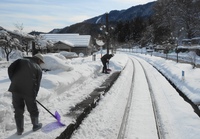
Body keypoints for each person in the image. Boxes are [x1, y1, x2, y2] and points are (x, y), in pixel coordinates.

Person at [8, 53, 44, 135]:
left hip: (16, 89)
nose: (40, 64)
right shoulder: (38, 68)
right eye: (41, 62)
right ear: (38, 60)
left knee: (18, 110)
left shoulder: (20, 60)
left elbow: (10, 69)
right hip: (29, 92)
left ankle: (19, 130)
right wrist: (34, 95)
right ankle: (35, 125)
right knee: (33, 109)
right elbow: (37, 84)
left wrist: (14, 81)